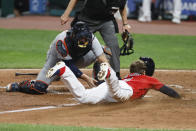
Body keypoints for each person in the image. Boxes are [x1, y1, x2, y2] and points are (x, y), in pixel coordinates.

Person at [5, 21, 110, 94]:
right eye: (81, 38)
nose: (84, 41)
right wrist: (87, 79)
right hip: (56, 63)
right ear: (73, 35)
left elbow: (102, 58)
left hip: (78, 59)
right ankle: (21, 85)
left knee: (105, 53)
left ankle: (101, 83)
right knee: (39, 88)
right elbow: (68, 65)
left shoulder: (91, 38)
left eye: (85, 38)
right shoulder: (62, 41)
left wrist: (110, 76)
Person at [46, 57, 180, 104]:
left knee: (83, 97)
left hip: (113, 86)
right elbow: (168, 91)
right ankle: (108, 71)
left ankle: (64, 70)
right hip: (123, 89)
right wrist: (179, 98)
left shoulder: (129, 77)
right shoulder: (148, 79)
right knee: (118, 93)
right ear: (144, 72)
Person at [60, 0, 132, 79]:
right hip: (87, 19)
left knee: (113, 46)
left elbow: (122, 6)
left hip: (106, 21)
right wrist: (66, 14)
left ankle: (116, 74)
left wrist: (125, 24)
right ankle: (61, 67)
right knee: (75, 44)